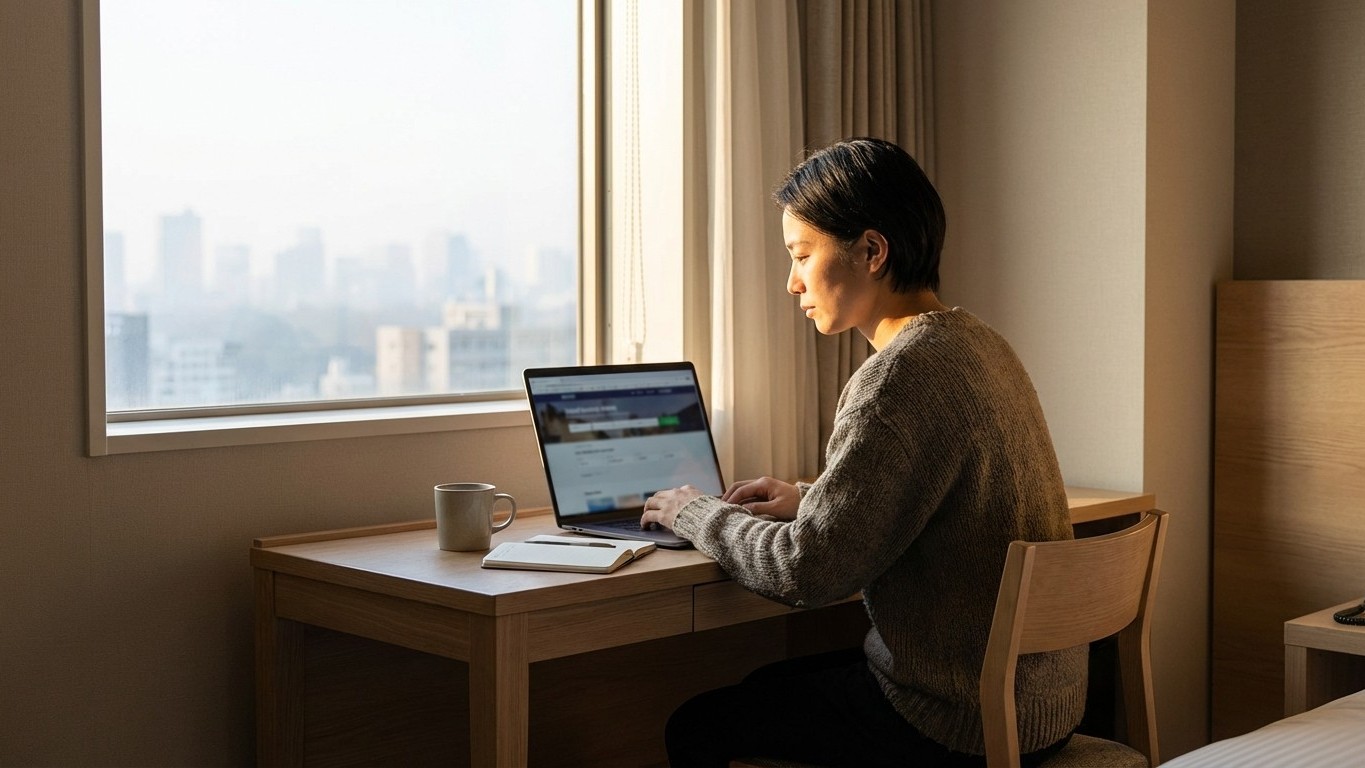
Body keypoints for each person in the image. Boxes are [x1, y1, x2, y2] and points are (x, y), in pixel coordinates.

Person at [640, 137, 1083, 767]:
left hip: (955, 721)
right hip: (1044, 708)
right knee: (765, 689)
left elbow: (807, 572)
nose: (791, 281)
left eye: (802, 255)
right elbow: (935, 496)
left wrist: (693, 512)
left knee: (699, 724)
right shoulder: (980, 345)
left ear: (871, 251)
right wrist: (811, 499)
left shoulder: (895, 379)